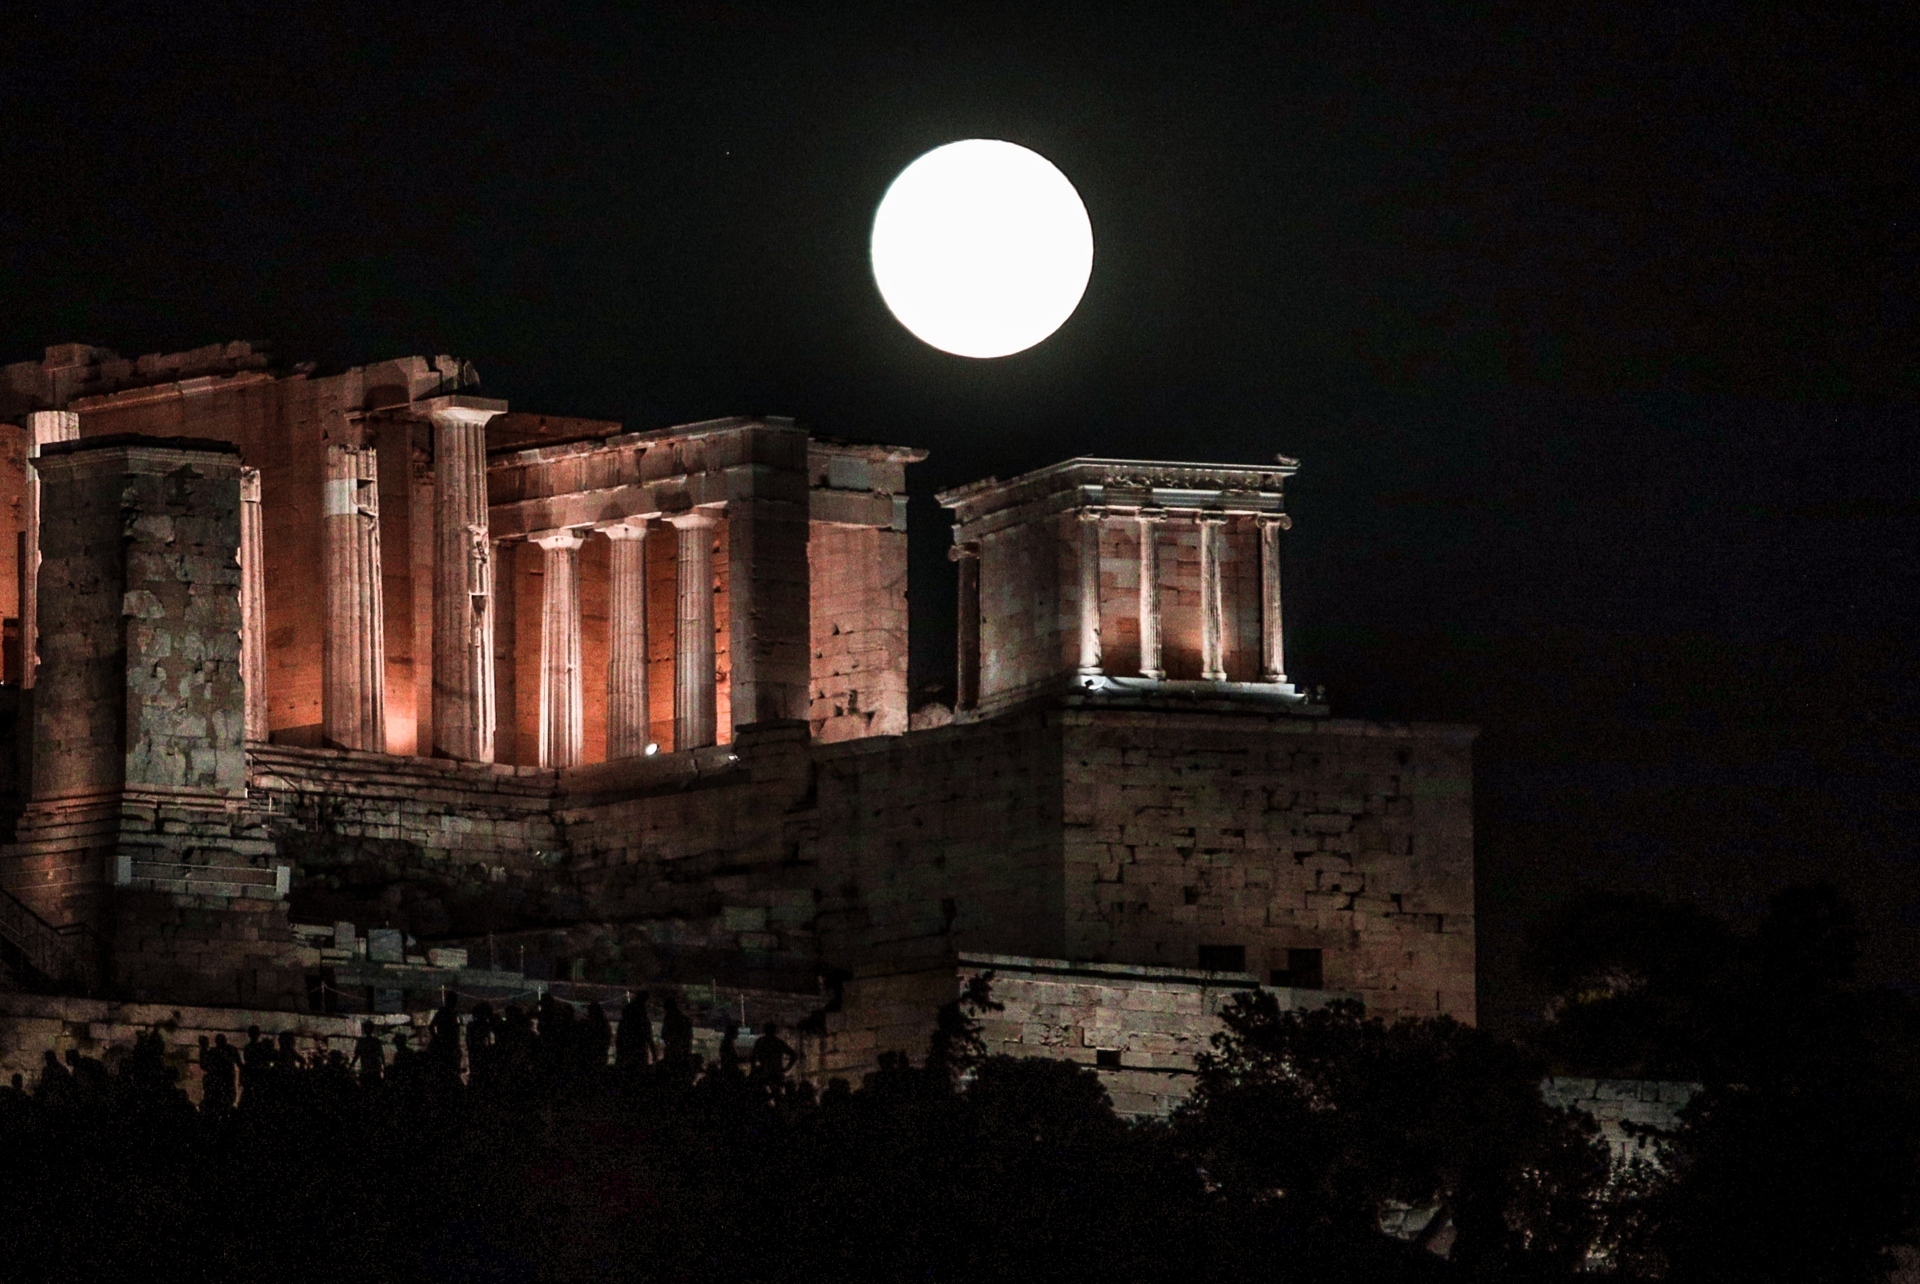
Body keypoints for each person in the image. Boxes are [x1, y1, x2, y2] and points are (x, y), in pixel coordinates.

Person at [614, 991, 654, 1073]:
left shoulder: (627, 1016)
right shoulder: (641, 1015)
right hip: (637, 1053)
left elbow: (619, 1037)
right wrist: (653, 1052)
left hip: (626, 1053)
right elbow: (648, 1035)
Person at [749, 1021, 796, 1088]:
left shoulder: (761, 1042)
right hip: (775, 1074)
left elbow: (753, 1057)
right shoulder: (778, 1042)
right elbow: (793, 1055)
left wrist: (754, 1069)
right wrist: (786, 1069)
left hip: (765, 1074)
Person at [659, 995, 694, 1074]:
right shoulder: (685, 1019)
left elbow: (664, 1035)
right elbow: (690, 1037)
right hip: (682, 1051)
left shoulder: (669, 1018)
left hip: (673, 1051)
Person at [352, 1022, 385, 1089]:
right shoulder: (376, 1041)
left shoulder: (362, 1041)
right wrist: (384, 1065)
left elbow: (357, 1054)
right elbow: (381, 1055)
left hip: (366, 1069)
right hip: (374, 1068)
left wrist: (351, 1065)